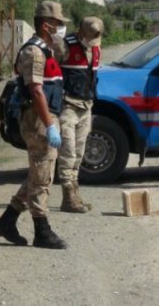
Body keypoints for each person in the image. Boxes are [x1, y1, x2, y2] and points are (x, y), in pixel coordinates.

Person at [0, 0, 70, 250]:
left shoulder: (47, 49)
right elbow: (36, 91)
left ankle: (7, 220)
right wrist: (50, 125)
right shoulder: (33, 52)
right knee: (42, 177)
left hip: (45, 119)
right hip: (38, 121)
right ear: (46, 25)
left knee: (39, 173)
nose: (60, 29)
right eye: (57, 24)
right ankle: (41, 231)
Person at [56, 16, 104, 213]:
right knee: (67, 153)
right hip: (67, 107)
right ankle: (68, 197)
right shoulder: (64, 47)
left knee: (79, 153)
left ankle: (74, 195)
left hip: (86, 106)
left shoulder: (95, 48)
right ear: (80, 31)